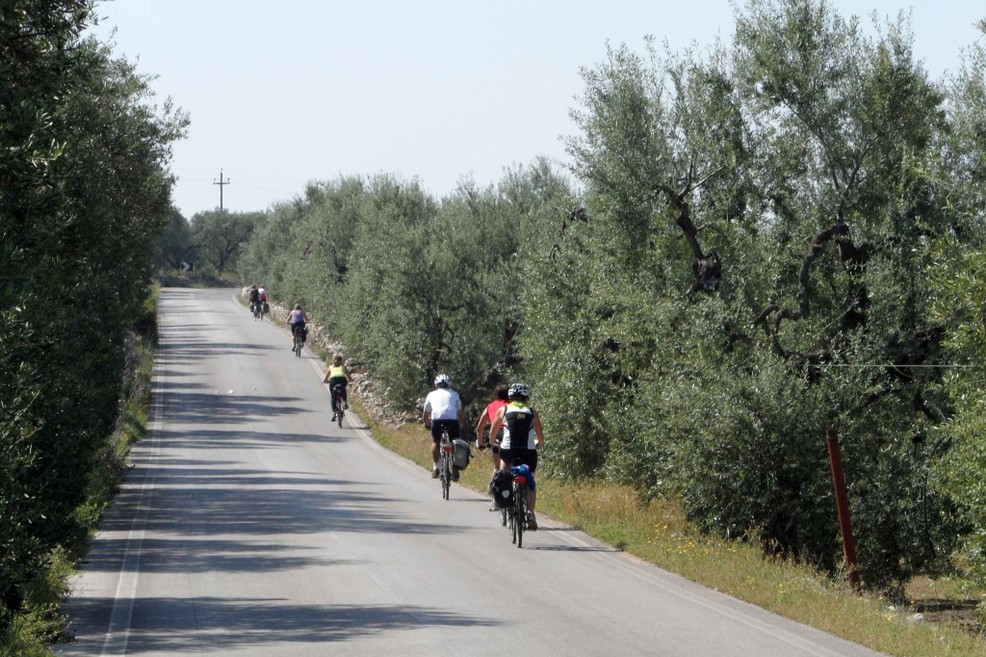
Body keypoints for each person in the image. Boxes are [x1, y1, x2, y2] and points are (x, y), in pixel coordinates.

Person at [488, 383, 545, 530]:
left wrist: (493, 442)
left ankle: (504, 500)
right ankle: (530, 513)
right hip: (528, 452)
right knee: (530, 480)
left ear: (510, 397)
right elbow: (540, 435)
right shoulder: (532, 412)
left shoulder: (503, 409)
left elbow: (493, 433)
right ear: (526, 398)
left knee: (504, 473)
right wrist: (539, 443)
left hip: (508, 450)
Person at [422, 373, 464, 480]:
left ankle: (436, 466)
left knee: (436, 441)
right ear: (449, 384)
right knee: (455, 442)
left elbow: (425, 414)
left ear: (437, 384)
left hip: (437, 420)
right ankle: (455, 467)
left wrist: (427, 424)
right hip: (452, 421)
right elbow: (460, 413)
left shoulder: (431, 394)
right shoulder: (455, 394)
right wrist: (460, 424)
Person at [476, 384, 509, 508]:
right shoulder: (511, 406)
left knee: (497, 467)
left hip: (496, 435)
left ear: (496, 394)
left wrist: (481, 442)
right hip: (509, 433)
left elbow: (480, 426)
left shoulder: (490, 406)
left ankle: (495, 498)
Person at [322, 353, 350, 419]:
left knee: (333, 397)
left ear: (333, 360)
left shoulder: (331, 367)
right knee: (343, 390)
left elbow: (325, 378)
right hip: (342, 380)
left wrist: (326, 381)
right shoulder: (343, 367)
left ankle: (334, 412)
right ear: (341, 361)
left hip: (333, 381)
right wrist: (349, 381)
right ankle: (345, 402)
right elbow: (349, 377)